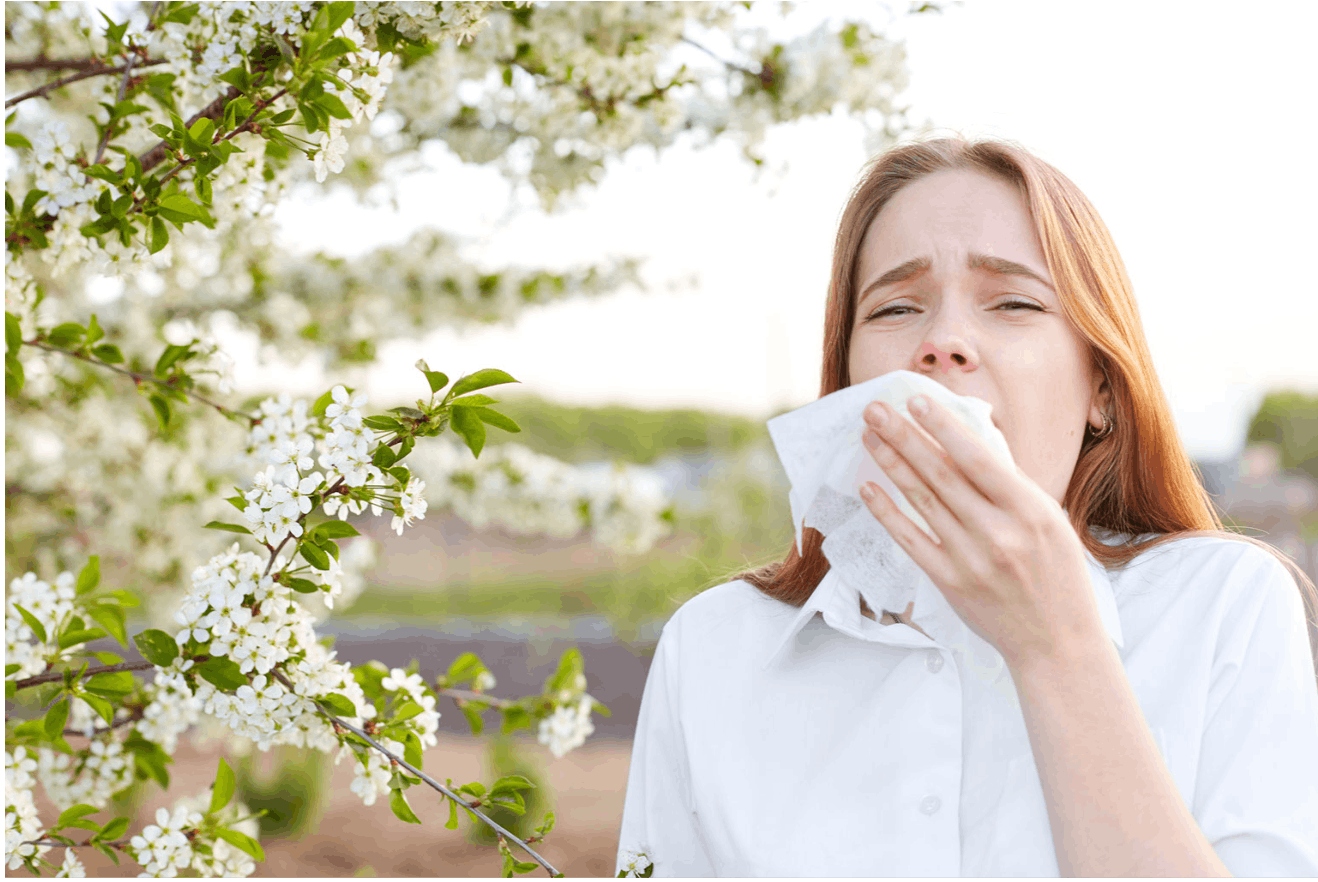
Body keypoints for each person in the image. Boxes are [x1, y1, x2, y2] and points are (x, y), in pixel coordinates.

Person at [613, 135, 1318, 877]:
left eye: (1013, 302)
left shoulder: (1225, 605)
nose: (943, 341)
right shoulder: (712, 648)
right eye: (895, 307)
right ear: (847, 376)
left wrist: (1056, 647)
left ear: (1102, 390)